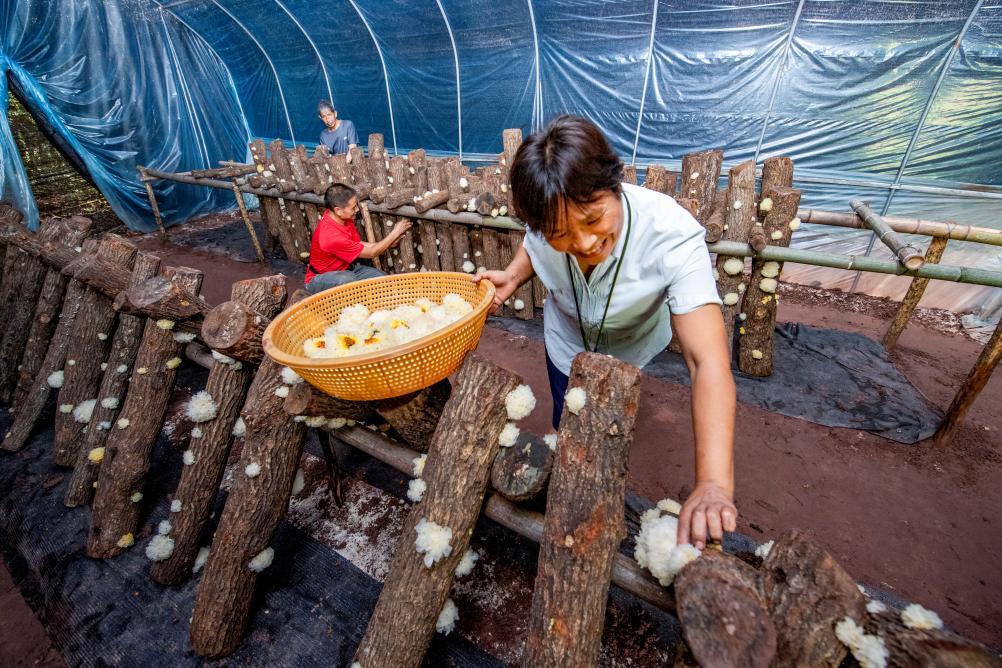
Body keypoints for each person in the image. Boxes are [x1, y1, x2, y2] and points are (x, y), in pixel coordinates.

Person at [476, 115, 737, 549]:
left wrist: (713, 483)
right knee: (568, 418)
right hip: (566, 342)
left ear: (616, 184)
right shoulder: (543, 223)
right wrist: (514, 275)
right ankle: (570, 463)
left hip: (630, 348)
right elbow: (532, 241)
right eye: (561, 234)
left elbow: (706, 360)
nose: (583, 243)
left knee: (613, 419)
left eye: (594, 219)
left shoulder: (671, 234)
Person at [304, 183, 411, 294]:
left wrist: (388, 243)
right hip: (320, 278)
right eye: (353, 208)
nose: (356, 210)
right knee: (347, 280)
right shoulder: (331, 237)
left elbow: (358, 244)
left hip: (347, 270)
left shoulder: (341, 218)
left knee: (381, 279)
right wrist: (395, 232)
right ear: (338, 210)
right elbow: (371, 253)